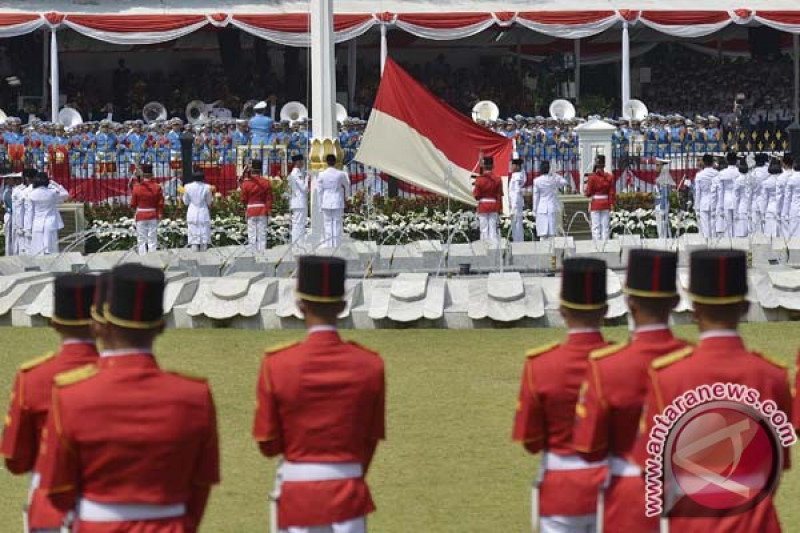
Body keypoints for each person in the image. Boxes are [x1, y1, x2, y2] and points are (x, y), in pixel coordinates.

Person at [36, 264, 220, 532]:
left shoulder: (70, 395)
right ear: (159, 327)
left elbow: (56, 487)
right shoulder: (195, 395)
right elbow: (201, 482)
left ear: (100, 326)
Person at [635, 249, 791, 533]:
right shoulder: (773, 376)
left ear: (694, 309)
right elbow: (778, 467)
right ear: (744, 307)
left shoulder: (667, 377)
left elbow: (652, 473)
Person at [253, 256, 385, 533]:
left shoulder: (278, 363)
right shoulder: (369, 364)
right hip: (348, 485)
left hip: (297, 486)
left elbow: (267, 441)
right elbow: (371, 437)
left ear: (300, 306)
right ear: (343, 305)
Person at [573, 250, 687, 533]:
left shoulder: (606, 366)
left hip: (629, 496)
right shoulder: (695, 361)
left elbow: (588, 446)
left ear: (628, 302)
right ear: (674, 302)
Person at [512, 258, 610, 533]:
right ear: (605, 310)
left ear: (563, 310)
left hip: (560, 486)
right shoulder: (621, 361)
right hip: (611, 482)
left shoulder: (541, 364)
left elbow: (530, 441)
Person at [1, 274, 99, 533]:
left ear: (55, 323)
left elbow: (15, 459)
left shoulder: (33, 378)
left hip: (50, 511)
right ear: (100, 323)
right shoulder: (120, 376)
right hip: (113, 509)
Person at [25, 172, 68, 256]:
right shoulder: (52, 193)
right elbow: (66, 195)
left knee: (37, 248)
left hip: (37, 223)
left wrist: (28, 228)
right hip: (50, 222)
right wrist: (56, 184)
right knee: (51, 248)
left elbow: (29, 213)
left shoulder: (31, 194)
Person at [130, 163, 164, 255]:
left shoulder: (137, 188)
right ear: (152, 174)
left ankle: (143, 259)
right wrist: (160, 214)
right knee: (152, 239)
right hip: (153, 214)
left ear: (143, 174)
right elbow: (160, 203)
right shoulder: (157, 187)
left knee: (141, 240)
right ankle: (153, 259)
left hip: (141, 215)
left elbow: (133, 204)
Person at [318, 154, 351, 248]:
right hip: (337, 200)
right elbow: (347, 184)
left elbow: (320, 192)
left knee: (327, 223)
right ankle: (336, 244)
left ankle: (329, 244)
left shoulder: (322, 174)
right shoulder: (341, 174)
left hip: (326, 201)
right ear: (335, 162)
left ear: (326, 162)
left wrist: (320, 205)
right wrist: (347, 197)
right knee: (337, 223)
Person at [240, 159, 273, 252]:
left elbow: (243, 199)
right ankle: (262, 252)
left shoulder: (246, 183)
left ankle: (252, 252)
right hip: (262, 209)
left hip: (251, 209)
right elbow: (269, 198)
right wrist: (269, 209)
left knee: (251, 234)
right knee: (262, 233)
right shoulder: (266, 182)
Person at [533, 160, 567, 241]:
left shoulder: (537, 181)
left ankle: (542, 252)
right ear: (549, 169)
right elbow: (565, 182)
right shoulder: (553, 179)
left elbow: (536, 197)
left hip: (541, 208)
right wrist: (555, 174)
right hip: (552, 207)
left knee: (542, 234)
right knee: (552, 233)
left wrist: (534, 210)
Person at [585, 155, 615, 242]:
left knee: (595, 227)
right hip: (605, 203)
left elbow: (588, 193)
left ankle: (597, 246)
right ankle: (606, 245)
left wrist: (586, 193)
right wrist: (611, 203)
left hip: (595, 203)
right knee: (605, 227)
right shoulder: (609, 177)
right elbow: (612, 192)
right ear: (604, 164)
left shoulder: (592, 177)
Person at [472, 156, 503, 243]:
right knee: (493, 229)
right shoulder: (498, 179)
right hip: (494, 205)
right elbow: (499, 195)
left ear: (484, 166)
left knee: (484, 229)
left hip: (483, 205)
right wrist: (500, 208)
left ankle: (484, 248)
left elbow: (476, 195)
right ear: (493, 166)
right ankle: (494, 248)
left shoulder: (479, 179)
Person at [182, 170, 214, 252]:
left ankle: (194, 257)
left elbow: (185, 202)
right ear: (203, 178)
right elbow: (209, 201)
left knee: (193, 239)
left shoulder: (187, 187)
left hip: (192, 211)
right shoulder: (207, 187)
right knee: (204, 239)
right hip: (203, 211)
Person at [714, 152, 738, 238]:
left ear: (727, 161)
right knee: (737, 225)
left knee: (727, 226)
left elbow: (721, 190)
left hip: (726, 199)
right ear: (736, 160)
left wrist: (720, 205)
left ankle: (729, 245)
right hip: (737, 200)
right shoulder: (740, 172)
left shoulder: (723, 173)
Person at [693, 154, 717, 239]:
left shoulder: (700, 175)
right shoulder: (717, 174)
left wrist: (696, 207)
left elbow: (698, 193)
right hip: (715, 202)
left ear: (703, 162)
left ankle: (707, 247)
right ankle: (714, 245)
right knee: (714, 226)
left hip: (703, 202)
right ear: (712, 162)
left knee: (705, 227)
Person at [289, 154, 309, 246]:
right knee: (299, 224)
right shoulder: (297, 173)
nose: (303, 163)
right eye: (302, 161)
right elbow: (304, 188)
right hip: (299, 202)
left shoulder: (295, 172)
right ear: (298, 162)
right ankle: (298, 243)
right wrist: (308, 178)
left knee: (298, 223)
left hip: (297, 201)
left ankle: (298, 242)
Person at [763, 157, 782, 238]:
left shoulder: (766, 182)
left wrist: (763, 212)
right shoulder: (783, 180)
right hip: (781, 207)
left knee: (770, 233)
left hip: (770, 207)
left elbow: (764, 199)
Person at [653, 158, 672, 239]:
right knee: (660, 227)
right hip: (659, 204)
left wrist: (662, 208)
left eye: (658, 165)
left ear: (662, 166)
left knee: (662, 228)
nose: (656, 167)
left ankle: (663, 243)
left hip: (662, 205)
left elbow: (665, 194)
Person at [750, 153, 769, 235]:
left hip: (755, 200)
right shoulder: (769, 171)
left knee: (756, 225)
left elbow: (750, 190)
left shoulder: (753, 173)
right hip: (768, 200)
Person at [508, 158, 526, 242]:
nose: (511, 167)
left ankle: (518, 241)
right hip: (515, 202)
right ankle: (517, 240)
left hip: (516, 202)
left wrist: (513, 206)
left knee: (516, 223)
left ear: (518, 166)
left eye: (513, 165)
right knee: (516, 223)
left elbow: (516, 191)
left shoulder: (517, 176)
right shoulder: (516, 175)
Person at [734, 158, 751, 238]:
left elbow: (736, 197)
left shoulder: (737, 180)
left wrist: (735, 211)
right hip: (750, 207)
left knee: (741, 233)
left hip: (741, 206)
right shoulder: (751, 179)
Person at [777, 154, 793, 237]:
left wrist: (778, 211)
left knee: (785, 236)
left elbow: (779, 197)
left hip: (784, 208)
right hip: (795, 207)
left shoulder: (781, 178)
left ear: (783, 164)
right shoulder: (795, 175)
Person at [788, 158, 800, 238]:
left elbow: (787, 197)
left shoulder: (791, 178)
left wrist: (784, 212)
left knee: (795, 235)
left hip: (795, 208)